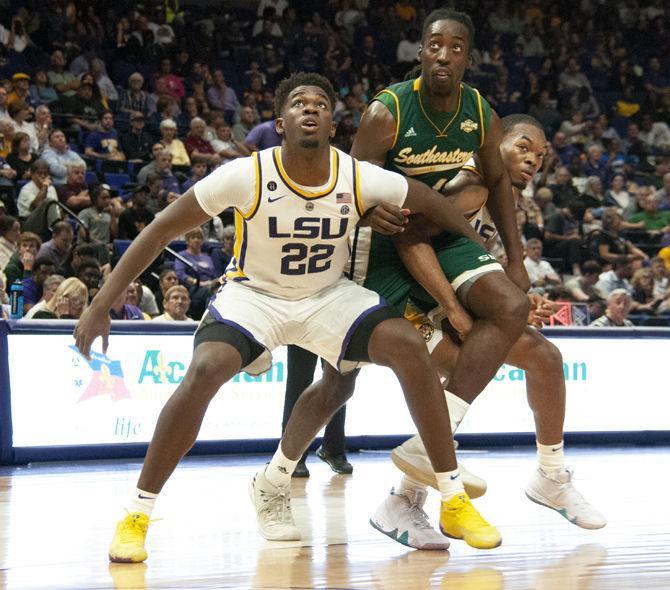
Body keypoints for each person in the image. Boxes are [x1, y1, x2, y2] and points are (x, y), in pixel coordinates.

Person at [73, 71, 498, 564]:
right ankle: (137, 514)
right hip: (255, 295)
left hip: (327, 296)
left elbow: (432, 204)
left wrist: (495, 254)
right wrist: (101, 303)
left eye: (320, 102)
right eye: (299, 103)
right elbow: (161, 228)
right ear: (280, 122)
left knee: (402, 346)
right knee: (207, 369)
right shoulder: (245, 174)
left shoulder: (358, 176)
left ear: (333, 125)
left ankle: (452, 497)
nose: (311, 108)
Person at [282, 11, 537, 552]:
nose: (444, 55)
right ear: (420, 52)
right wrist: (367, 211)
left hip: (437, 236)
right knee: (338, 382)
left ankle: (421, 475)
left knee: (511, 310)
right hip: (381, 249)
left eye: (456, 47)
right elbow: (347, 181)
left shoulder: (479, 112)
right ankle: (276, 476)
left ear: (468, 57)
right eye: (435, 45)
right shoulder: (387, 111)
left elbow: (494, 182)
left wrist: (515, 257)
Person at [366, 113, 605, 549]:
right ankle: (403, 497)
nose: (533, 159)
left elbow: (472, 265)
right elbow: (410, 239)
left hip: (438, 296)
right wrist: (454, 307)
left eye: (541, 155)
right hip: (405, 295)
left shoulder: (504, 203)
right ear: (495, 145)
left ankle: (550, 475)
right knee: (468, 366)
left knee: (545, 359)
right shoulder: (471, 185)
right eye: (523, 147)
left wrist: (516, 302)